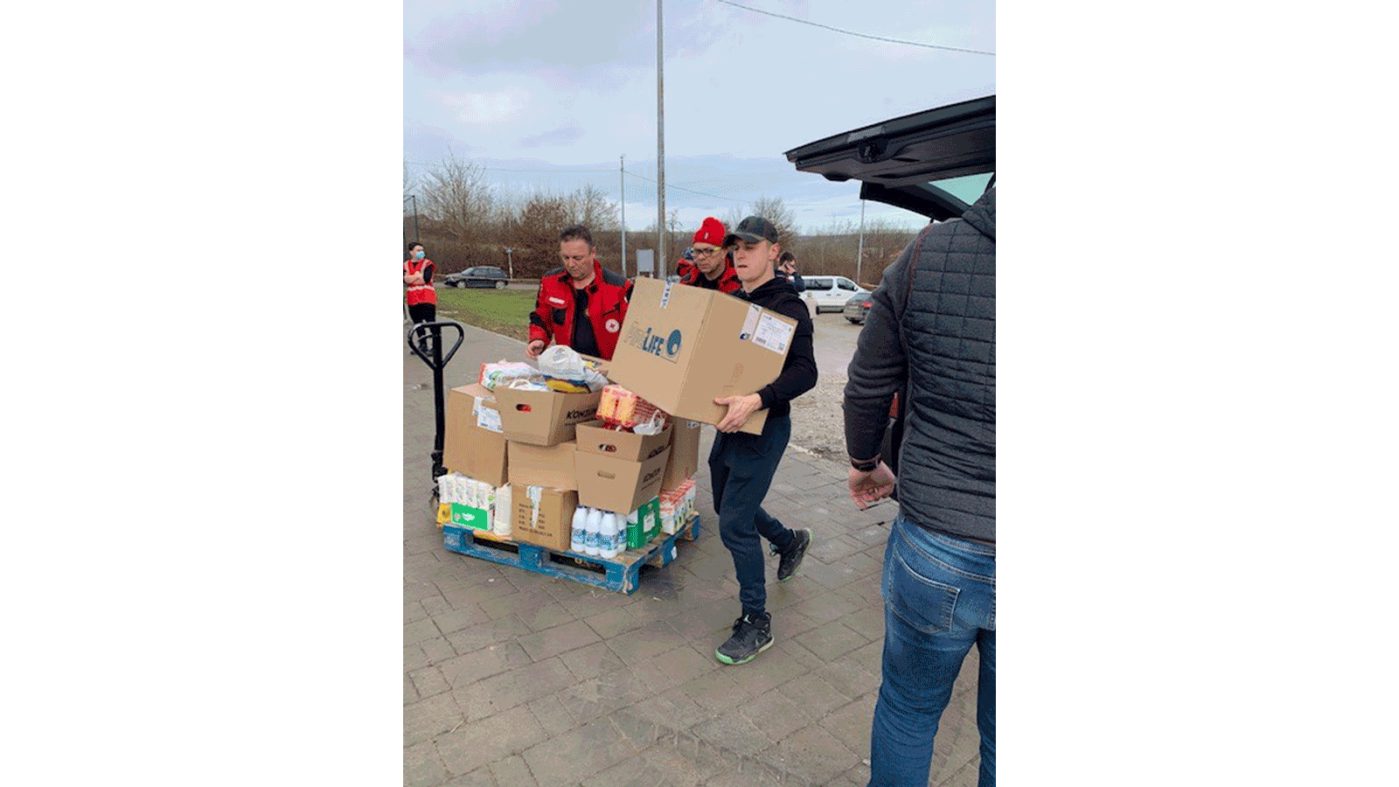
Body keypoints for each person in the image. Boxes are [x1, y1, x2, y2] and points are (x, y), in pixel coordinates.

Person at [843, 185, 995, 786]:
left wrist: (864, 462)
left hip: (936, 543)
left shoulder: (930, 252)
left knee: (908, 709)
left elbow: (867, 385)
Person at [706, 215, 817, 666]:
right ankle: (788, 541)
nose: (741, 255)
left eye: (750, 247)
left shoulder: (788, 307)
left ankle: (757, 620)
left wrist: (757, 399)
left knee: (733, 523)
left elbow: (806, 372)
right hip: (729, 424)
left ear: (774, 250)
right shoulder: (734, 302)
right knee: (725, 505)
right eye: (736, 248)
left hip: (765, 427)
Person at [526, 225, 633, 361]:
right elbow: (541, 317)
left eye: (577, 258)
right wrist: (538, 339)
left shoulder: (620, 287)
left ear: (592, 252)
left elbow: (633, 335)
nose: (571, 264)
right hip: (567, 369)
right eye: (566, 258)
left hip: (607, 371)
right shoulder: (550, 282)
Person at [674, 216, 741, 294]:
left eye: (709, 251)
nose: (701, 257)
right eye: (697, 251)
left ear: (724, 252)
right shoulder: (687, 284)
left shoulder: (741, 283)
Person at [403, 241, 437, 354]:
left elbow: (425, 279)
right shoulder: (405, 265)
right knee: (417, 323)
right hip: (413, 299)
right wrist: (416, 276)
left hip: (427, 297)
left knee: (430, 322)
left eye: (422, 250)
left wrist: (411, 278)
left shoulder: (427, 264)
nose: (421, 252)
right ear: (411, 252)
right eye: (418, 250)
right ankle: (423, 345)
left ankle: (436, 346)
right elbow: (404, 280)